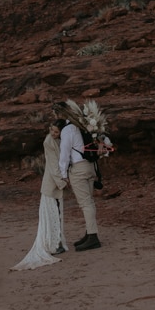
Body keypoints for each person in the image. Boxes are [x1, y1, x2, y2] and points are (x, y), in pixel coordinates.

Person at [11, 121, 68, 270]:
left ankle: (57, 243)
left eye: (56, 132)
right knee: (52, 214)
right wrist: (63, 182)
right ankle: (53, 244)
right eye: (52, 130)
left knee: (57, 213)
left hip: (54, 182)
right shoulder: (49, 142)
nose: (53, 134)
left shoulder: (58, 140)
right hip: (51, 184)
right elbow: (53, 164)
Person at [54, 101, 101, 251]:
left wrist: (63, 174)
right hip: (90, 166)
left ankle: (93, 237)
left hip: (78, 169)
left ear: (58, 114)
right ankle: (89, 233)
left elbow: (65, 153)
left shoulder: (68, 129)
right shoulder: (82, 125)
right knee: (90, 202)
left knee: (85, 203)